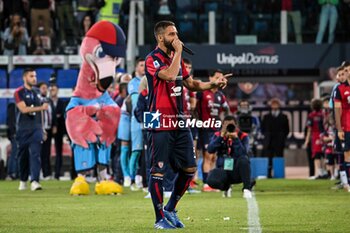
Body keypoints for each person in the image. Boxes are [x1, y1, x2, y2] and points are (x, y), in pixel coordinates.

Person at [145, 20, 230, 229]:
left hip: (180, 121)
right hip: (159, 120)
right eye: (171, 34)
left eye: (176, 33)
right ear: (160, 37)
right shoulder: (152, 59)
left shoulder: (176, 59)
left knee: (190, 168)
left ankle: (170, 208)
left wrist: (213, 85)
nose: (176, 38)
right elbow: (170, 75)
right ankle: (159, 219)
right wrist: (179, 53)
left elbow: (191, 84)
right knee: (158, 170)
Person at [14, 68, 48, 191]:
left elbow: (42, 113)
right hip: (23, 129)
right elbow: (23, 109)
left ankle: (35, 181)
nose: (34, 78)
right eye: (31, 76)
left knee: (35, 154)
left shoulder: (38, 92)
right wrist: (41, 108)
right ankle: (23, 180)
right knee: (22, 156)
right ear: (24, 78)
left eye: (35, 76)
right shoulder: (19, 92)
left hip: (36, 128)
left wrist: (43, 129)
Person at [196, 69, 230, 192]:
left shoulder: (220, 95)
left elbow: (227, 111)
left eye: (221, 77)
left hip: (216, 129)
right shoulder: (202, 92)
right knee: (207, 155)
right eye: (217, 77)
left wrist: (225, 125)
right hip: (204, 128)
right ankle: (206, 183)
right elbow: (194, 107)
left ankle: (211, 182)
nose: (219, 80)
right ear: (210, 78)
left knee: (214, 157)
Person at [207, 115, 253, 199]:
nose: (229, 127)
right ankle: (226, 187)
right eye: (226, 125)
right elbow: (210, 149)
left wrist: (236, 139)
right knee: (211, 180)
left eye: (231, 125)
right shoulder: (218, 135)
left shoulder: (243, 136)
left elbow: (243, 153)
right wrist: (221, 137)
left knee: (244, 160)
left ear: (236, 125)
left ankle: (247, 189)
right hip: (223, 169)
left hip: (237, 170)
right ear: (222, 126)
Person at [127, 58, 145, 191]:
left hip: (149, 119)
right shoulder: (133, 83)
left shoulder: (150, 80)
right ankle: (130, 178)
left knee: (148, 152)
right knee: (136, 151)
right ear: (136, 68)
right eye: (141, 65)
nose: (144, 67)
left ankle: (142, 179)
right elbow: (135, 101)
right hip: (137, 121)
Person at [261, 98, 289, 178]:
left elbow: (287, 130)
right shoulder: (266, 117)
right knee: (268, 159)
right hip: (269, 142)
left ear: (279, 105)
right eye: (273, 104)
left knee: (279, 158)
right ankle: (268, 174)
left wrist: (282, 137)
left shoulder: (284, 117)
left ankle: (279, 174)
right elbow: (263, 128)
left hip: (279, 142)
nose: (274, 105)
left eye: (276, 104)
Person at [334, 61, 350, 192]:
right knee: (345, 153)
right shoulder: (339, 89)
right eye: (345, 71)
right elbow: (336, 109)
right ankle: (346, 181)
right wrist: (339, 128)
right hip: (346, 126)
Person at [38, 82, 57, 180]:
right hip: (39, 130)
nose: (45, 90)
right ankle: (39, 172)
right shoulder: (37, 100)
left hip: (48, 130)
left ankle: (47, 173)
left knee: (47, 152)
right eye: (43, 88)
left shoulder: (49, 100)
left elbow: (52, 113)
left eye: (46, 88)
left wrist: (54, 125)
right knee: (39, 152)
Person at [304, 99, 326, 179]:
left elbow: (309, 129)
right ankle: (325, 172)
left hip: (315, 136)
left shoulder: (311, 115)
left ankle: (320, 173)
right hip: (324, 136)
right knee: (324, 154)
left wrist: (307, 141)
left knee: (316, 155)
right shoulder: (323, 114)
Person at [50, 84, 67, 180]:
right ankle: (46, 173)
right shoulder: (46, 102)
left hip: (59, 130)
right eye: (51, 89)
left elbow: (62, 115)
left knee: (58, 152)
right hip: (48, 129)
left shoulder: (61, 102)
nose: (53, 91)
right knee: (44, 152)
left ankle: (57, 173)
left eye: (55, 89)